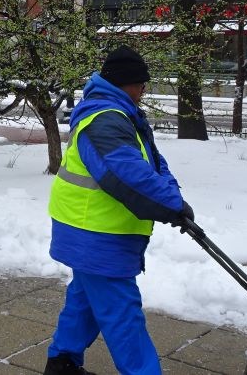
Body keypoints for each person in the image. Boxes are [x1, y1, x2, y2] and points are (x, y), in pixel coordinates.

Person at [44, 45, 195, 375]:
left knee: (84, 300)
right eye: (141, 84)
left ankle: (62, 362)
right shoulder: (106, 120)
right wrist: (171, 205)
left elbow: (153, 163)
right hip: (96, 233)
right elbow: (128, 175)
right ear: (126, 83)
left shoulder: (117, 113)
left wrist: (172, 197)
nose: (143, 91)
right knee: (123, 316)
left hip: (92, 228)